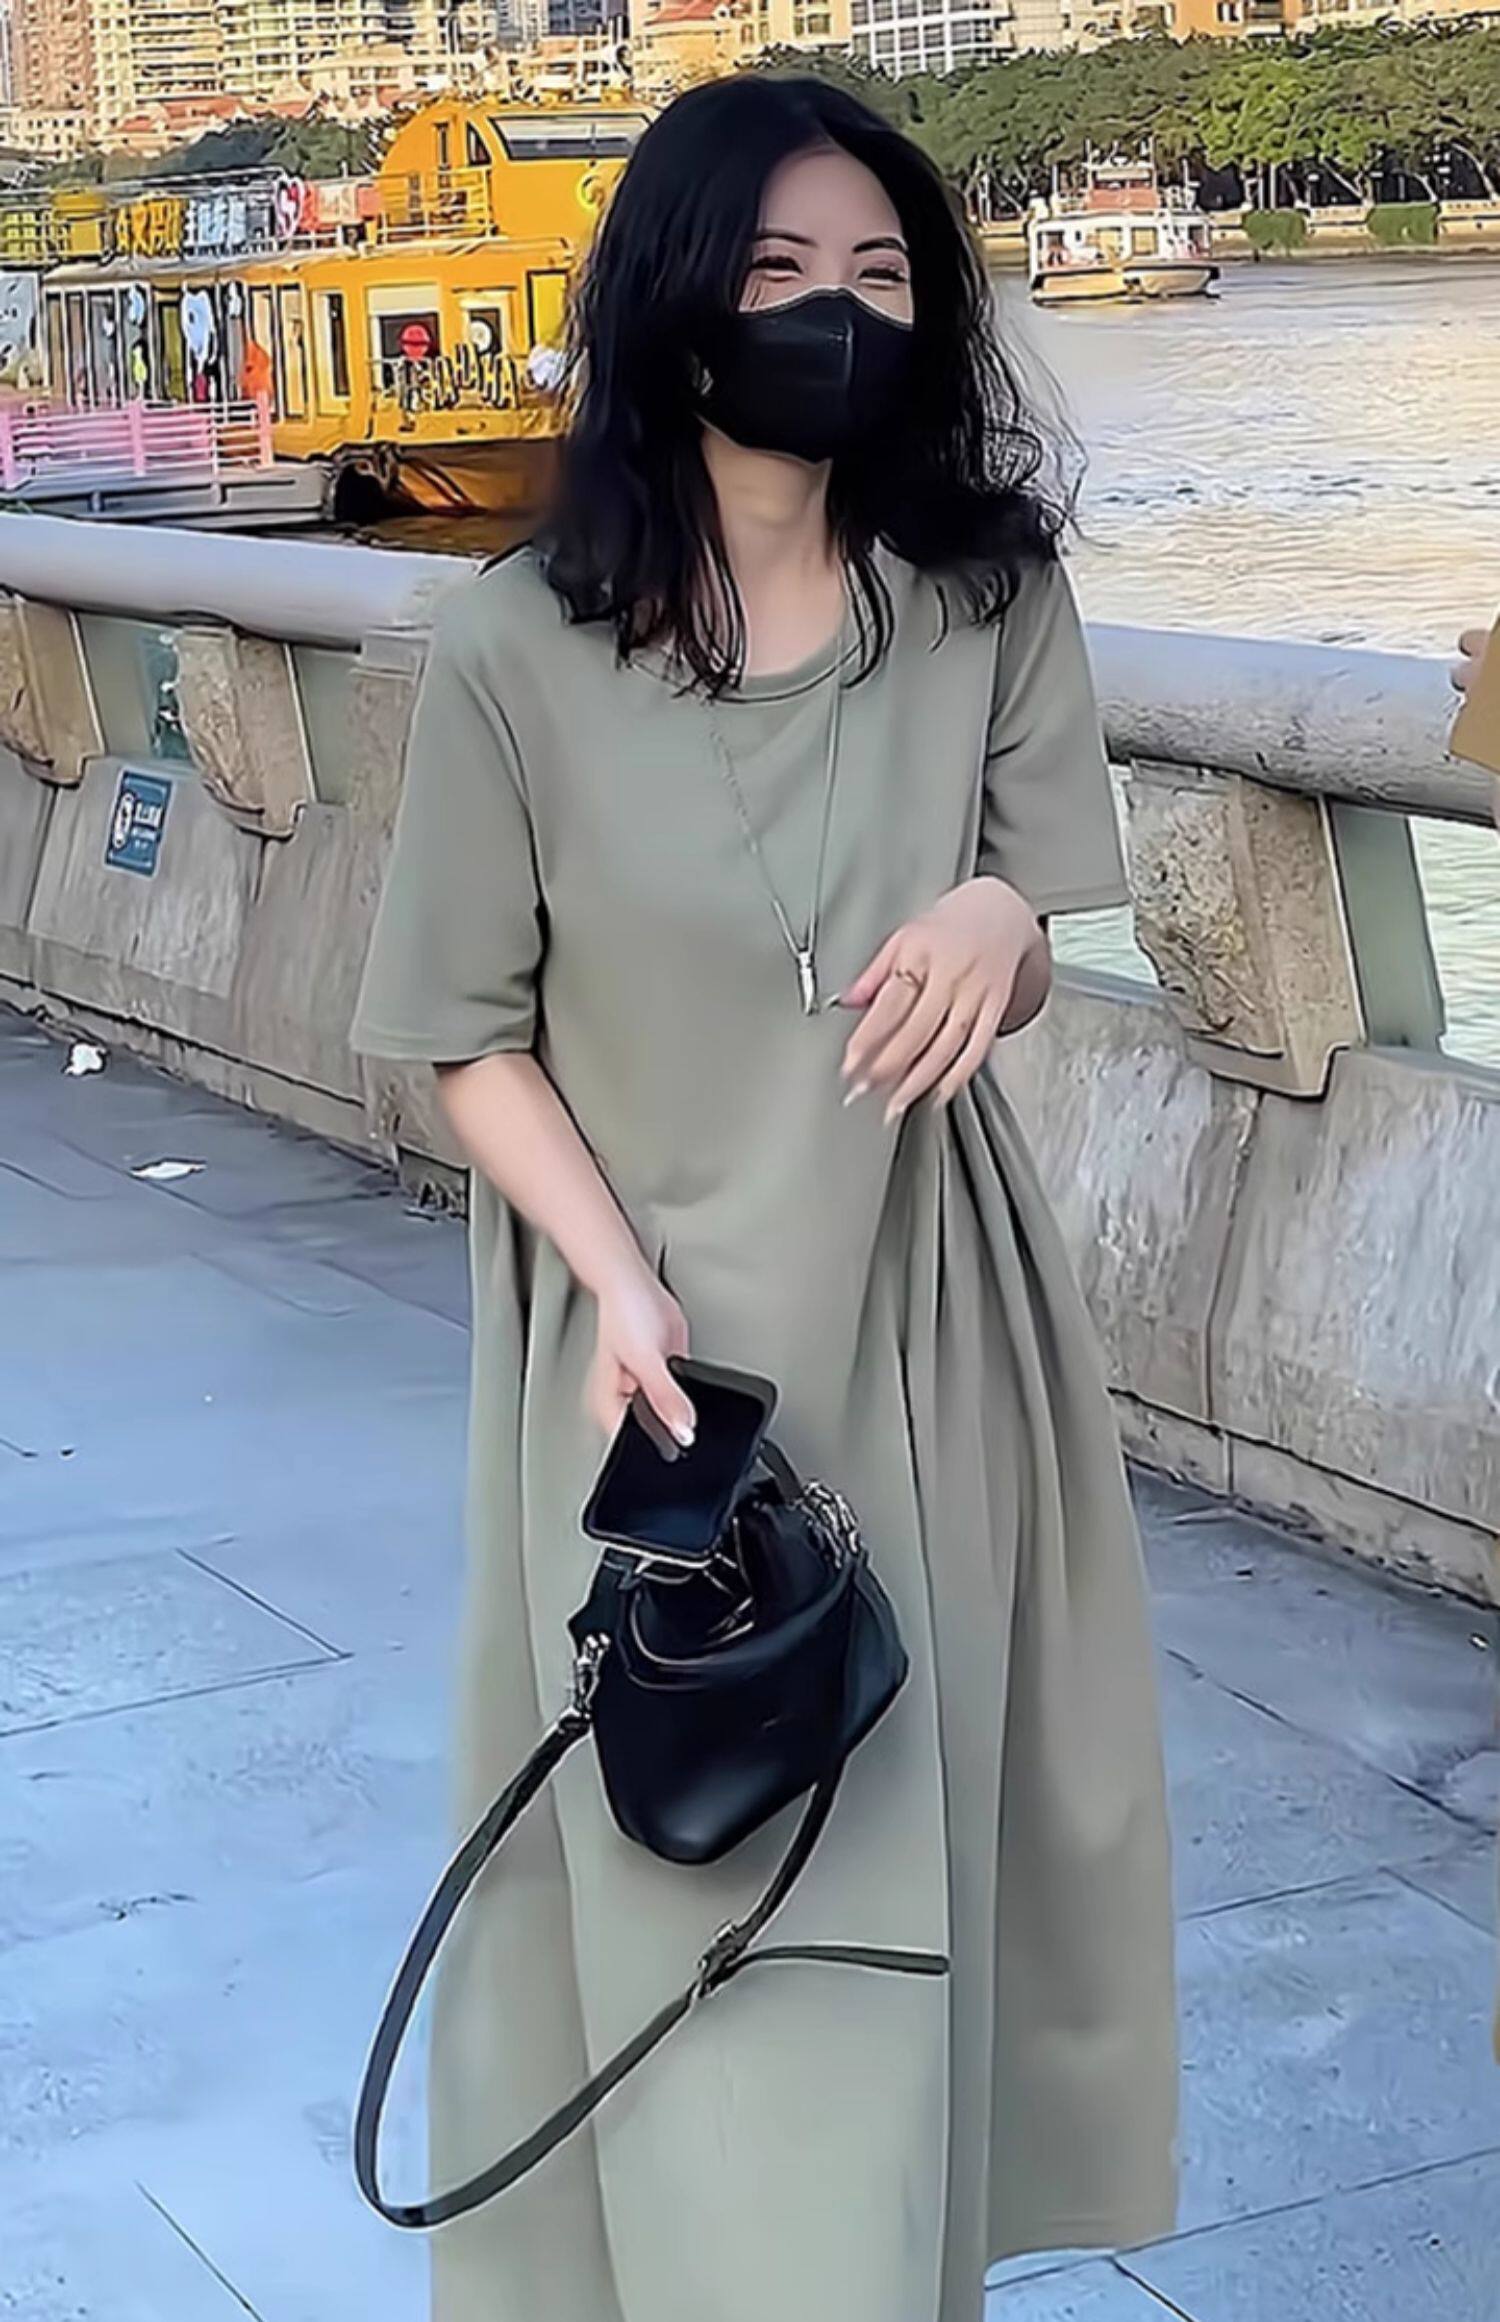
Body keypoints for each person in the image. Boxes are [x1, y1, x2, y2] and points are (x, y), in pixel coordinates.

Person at [351, 74, 1177, 2322]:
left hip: (927, 1332)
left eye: (884, 275)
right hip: (647, 1377)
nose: (837, 312)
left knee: (899, 1905)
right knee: (677, 1892)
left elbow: (1031, 913)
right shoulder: (521, 644)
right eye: (783, 267)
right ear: (678, 296)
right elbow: (462, 1031)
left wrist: (1000, 921)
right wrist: (615, 1279)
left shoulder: (985, 597)